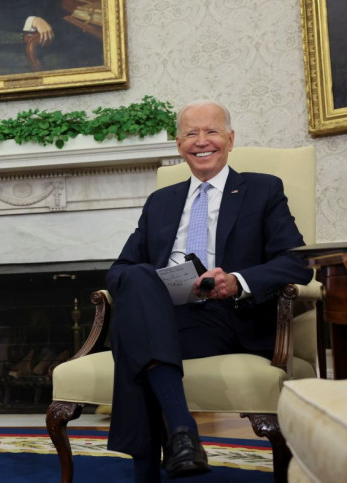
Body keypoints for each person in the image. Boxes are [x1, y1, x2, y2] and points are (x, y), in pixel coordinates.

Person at [105, 100, 312, 481]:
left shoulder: (262, 190)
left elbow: (296, 262)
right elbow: (119, 270)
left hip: (230, 316)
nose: (202, 141)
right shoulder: (161, 202)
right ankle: (183, 433)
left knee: (132, 335)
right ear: (178, 144)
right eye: (190, 133)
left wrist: (237, 281)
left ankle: (150, 469)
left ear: (230, 139)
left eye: (212, 131)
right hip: (169, 314)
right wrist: (157, 283)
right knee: (136, 281)